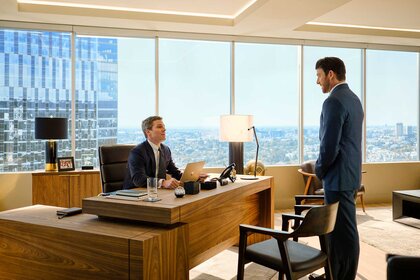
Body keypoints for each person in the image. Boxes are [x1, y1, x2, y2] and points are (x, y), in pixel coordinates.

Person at [313, 57, 364, 280]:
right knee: (337, 231)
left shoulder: (333, 101)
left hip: (338, 177)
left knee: (344, 232)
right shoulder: (354, 99)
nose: (317, 81)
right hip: (350, 175)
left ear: (331, 75)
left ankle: (344, 276)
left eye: (319, 75)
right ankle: (332, 274)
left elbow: (329, 146)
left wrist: (319, 170)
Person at [123, 116, 182, 189]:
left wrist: (194, 178)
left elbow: (175, 172)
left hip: (156, 192)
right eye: (159, 127)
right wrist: (163, 182)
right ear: (148, 132)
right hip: (135, 193)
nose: (164, 129)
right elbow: (138, 179)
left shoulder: (166, 150)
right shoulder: (137, 152)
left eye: (164, 127)